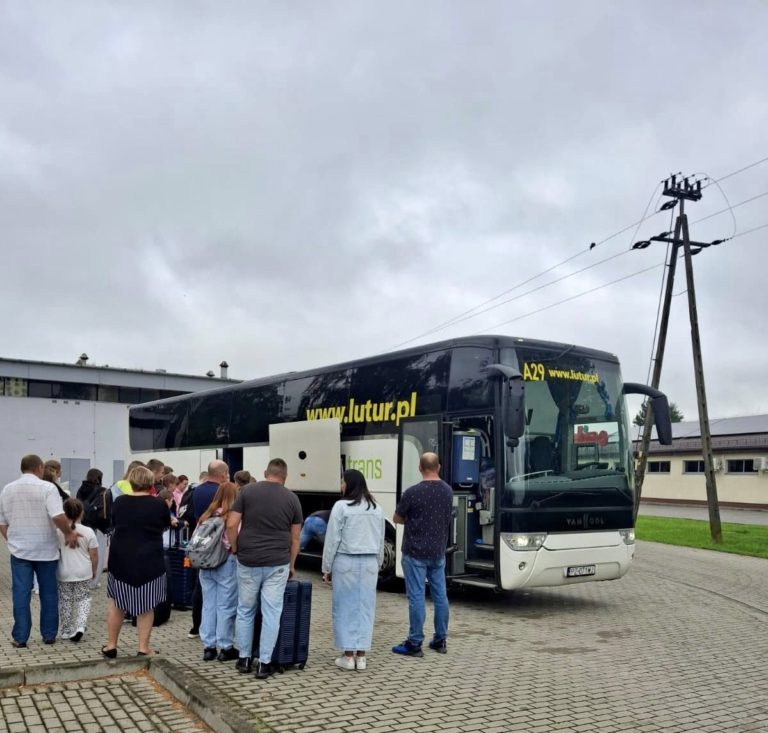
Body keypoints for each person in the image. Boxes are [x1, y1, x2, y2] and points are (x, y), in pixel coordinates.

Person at [227, 458, 302, 679]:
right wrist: (292, 564)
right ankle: (264, 663)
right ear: (285, 477)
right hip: (277, 563)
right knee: (271, 613)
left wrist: (235, 546)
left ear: (265, 472)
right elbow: (295, 538)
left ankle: (244, 659)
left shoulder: (247, 492)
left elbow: (231, 524)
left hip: (248, 559)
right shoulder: (292, 498)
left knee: (245, 609)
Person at [0, 454, 79, 648]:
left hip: (20, 551)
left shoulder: (7, 489)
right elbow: (58, 516)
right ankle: (49, 634)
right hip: (46, 549)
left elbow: (2, 523)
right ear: (40, 467)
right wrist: (69, 533)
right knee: (49, 593)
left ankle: (20, 637)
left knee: (21, 593)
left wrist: (12, 539)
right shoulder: (48, 488)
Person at [101, 465, 171, 658]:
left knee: (116, 604)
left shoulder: (120, 502)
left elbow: (113, 523)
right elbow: (165, 524)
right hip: (150, 560)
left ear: (131, 481)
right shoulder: (159, 504)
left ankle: (111, 645)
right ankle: (142, 647)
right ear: (151, 482)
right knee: (146, 607)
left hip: (121, 558)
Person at [321, 469, 385, 671]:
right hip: (369, 563)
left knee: (344, 607)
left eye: (342, 481)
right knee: (366, 608)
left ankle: (348, 656)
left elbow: (332, 539)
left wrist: (327, 567)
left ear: (349, 484)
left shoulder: (341, 507)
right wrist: (379, 563)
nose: (341, 485)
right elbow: (381, 539)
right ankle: (362, 656)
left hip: (346, 562)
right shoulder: (376, 508)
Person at [392, 452, 453, 658]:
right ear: (439, 467)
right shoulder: (448, 491)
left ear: (420, 468)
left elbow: (397, 518)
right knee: (440, 596)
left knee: (416, 596)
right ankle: (440, 639)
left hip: (414, 552)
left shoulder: (412, 492)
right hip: (438, 552)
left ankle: (414, 642)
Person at [198, 481, 240, 663]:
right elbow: (234, 538)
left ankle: (208, 647)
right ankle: (226, 646)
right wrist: (236, 549)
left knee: (208, 605)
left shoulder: (206, 516)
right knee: (226, 605)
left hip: (206, 564)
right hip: (226, 562)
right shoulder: (232, 516)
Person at [187, 460, 230, 639]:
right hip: (218, 549)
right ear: (221, 475)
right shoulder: (219, 492)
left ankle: (197, 626)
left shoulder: (197, 491)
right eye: (227, 474)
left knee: (202, 590)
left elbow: (191, 515)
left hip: (201, 546)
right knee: (221, 597)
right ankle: (221, 635)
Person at [57, 498, 98, 642]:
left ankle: (66, 630)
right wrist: (93, 571)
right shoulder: (88, 531)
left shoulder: (58, 532)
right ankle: (80, 626)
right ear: (81, 513)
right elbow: (94, 555)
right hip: (83, 571)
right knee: (83, 598)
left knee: (65, 600)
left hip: (64, 571)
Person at [76, 468, 110, 589]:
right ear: (99, 478)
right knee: (94, 554)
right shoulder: (101, 490)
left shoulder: (81, 489)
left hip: (81, 523)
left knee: (82, 553)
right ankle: (92, 581)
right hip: (96, 525)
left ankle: (81, 579)